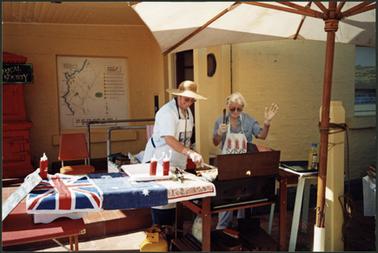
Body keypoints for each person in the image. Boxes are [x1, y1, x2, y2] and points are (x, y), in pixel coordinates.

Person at [142, 80, 206, 229]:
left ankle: (172, 237)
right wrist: (189, 152)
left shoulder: (188, 112)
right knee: (162, 203)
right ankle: (160, 235)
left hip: (177, 162)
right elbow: (169, 138)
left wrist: (193, 151)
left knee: (175, 202)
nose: (189, 102)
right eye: (186, 99)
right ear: (178, 96)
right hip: (159, 161)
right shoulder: (166, 112)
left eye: (192, 99)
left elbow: (186, 138)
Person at [213, 92, 279, 229]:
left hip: (245, 165)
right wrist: (219, 133)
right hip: (227, 166)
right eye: (232, 109)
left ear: (243, 108)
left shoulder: (248, 120)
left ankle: (242, 228)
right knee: (226, 200)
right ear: (227, 106)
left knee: (244, 198)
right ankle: (222, 229)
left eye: (239, 109)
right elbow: (215, 142)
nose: (235, 112)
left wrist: (267, 122)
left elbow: (262, 135)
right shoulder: (221, 120)